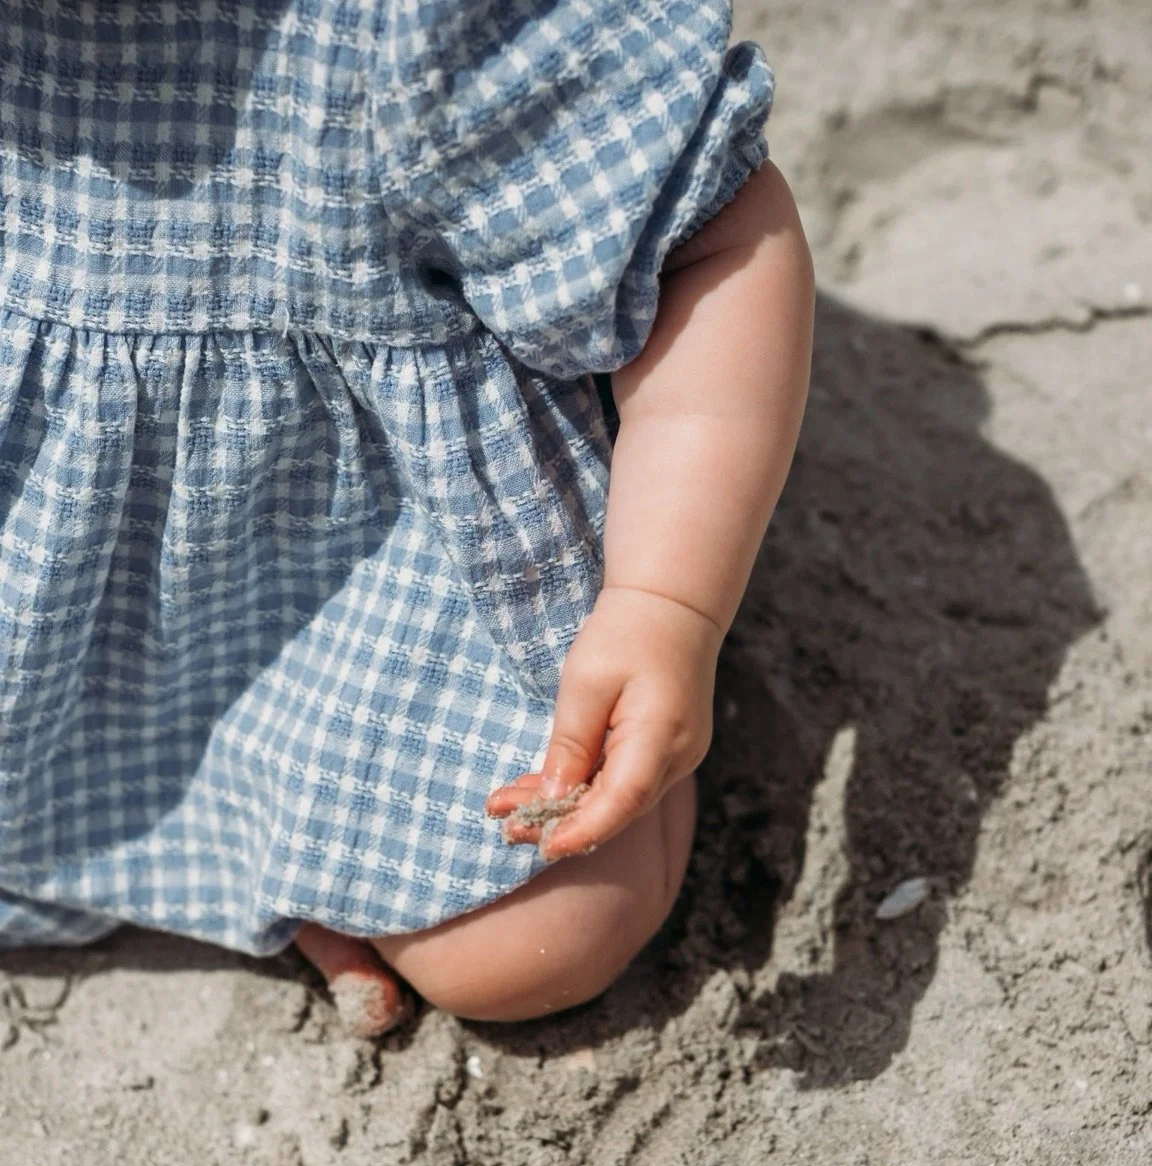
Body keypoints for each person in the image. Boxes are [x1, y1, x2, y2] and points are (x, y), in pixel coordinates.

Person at [0, 1, 812, 1035]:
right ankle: (240, 865)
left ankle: (294, 844)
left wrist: (665, 602)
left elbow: (712, 237)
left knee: (539, 944)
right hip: (48, 601)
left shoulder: (406, 28)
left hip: (359, 573)